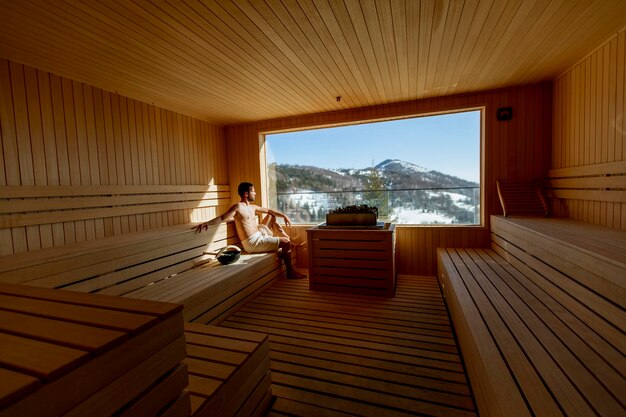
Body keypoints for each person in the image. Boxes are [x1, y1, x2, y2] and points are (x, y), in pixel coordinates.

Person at [194, 182, 306, 279]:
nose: (255, 193)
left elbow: (269, 210)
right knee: (285, 242)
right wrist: (207, 223)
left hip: (260, 235)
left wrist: (284, 215)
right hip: (252, 243)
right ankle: (290, 272)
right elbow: (222, 218)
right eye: (253, 191)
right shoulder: (237, 207)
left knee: (272, 216)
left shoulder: (252, 207)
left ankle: (287, 246)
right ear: (246, 194)